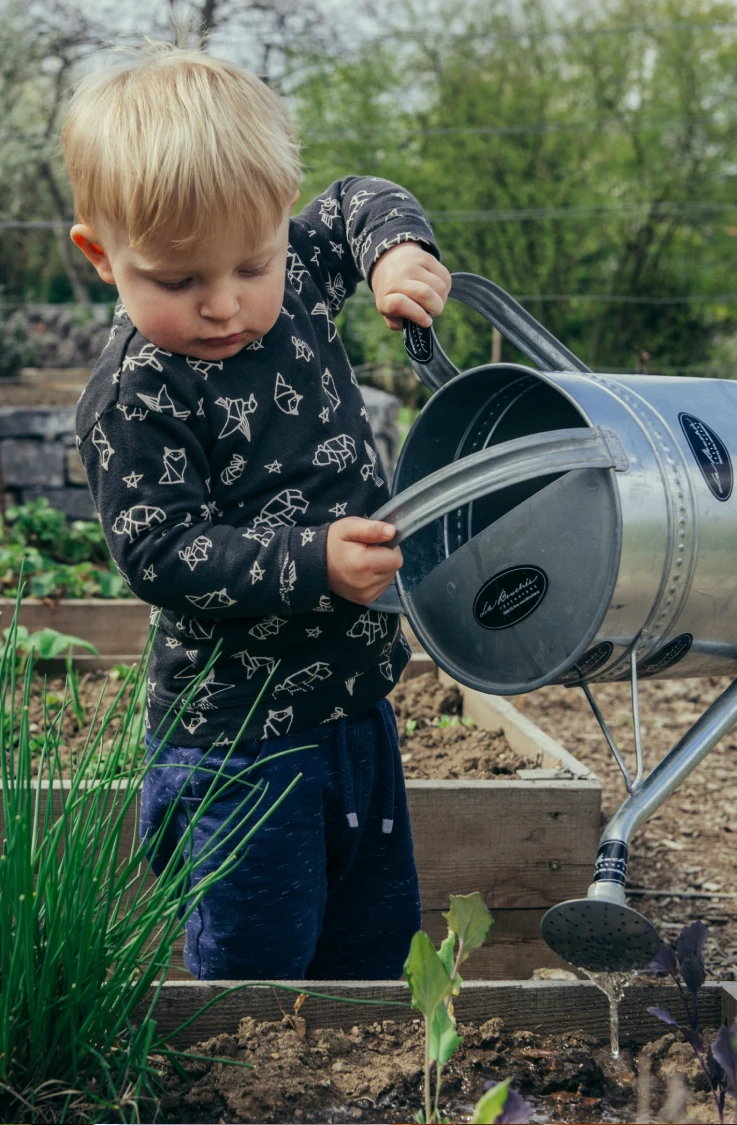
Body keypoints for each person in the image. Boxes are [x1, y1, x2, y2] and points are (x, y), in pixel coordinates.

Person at [62, 41, 451, 981]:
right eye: (177, 280)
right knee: (258, 964)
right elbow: (161, 551)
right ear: (101, 255)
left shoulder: (302, 274)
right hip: (239, 743)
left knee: (373, 938)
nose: (225, 304)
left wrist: (398, 251)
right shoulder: (136, 394)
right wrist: (312, 560)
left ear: (280, 223)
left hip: (357, 705)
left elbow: (360, 196)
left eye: (252, 263)